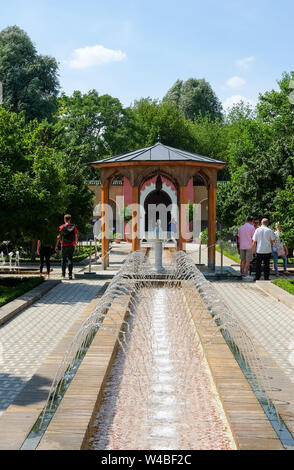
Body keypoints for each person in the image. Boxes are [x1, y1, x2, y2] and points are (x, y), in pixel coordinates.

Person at [56, 214, 78, 280]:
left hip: (64, 245)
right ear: (70, 219)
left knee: (63, 259)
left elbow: (59, 237)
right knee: (70, 259)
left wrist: (57, 245)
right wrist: (75, 244)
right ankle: (70, 275)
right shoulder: (74, 227)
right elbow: (76, 236)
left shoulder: (62, 227)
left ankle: (63, 274)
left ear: (64, 219)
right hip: (71, 245)